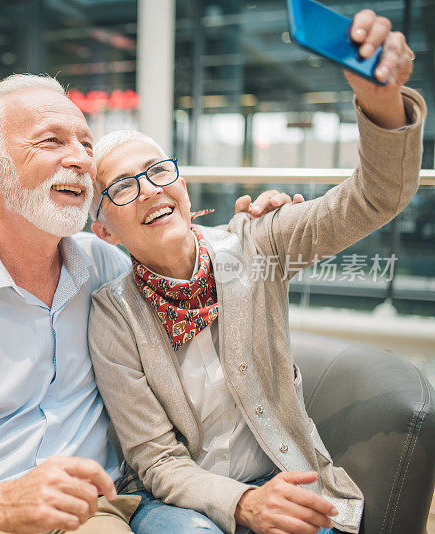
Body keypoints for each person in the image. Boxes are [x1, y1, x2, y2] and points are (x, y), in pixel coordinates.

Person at [0, 72, 295, 534]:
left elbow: (187, 261)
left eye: (86, 145)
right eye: (51, 142)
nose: (81, 161)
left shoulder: (108, 270)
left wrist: (251, 233)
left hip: (93, 514)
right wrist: (0, 504)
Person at [87, 10, 424, 534]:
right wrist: (244, 505)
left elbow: (375, 198)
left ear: (181, 182)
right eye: (123, 187)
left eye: (158, 171)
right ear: (104, 230)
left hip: (285, 475)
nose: (150, 189)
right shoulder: (113, 313)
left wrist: (380, 99)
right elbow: (156, 461)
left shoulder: (256, 243)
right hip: (180, 504)